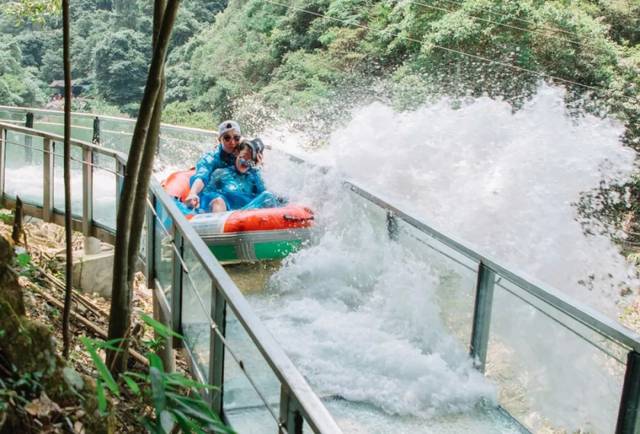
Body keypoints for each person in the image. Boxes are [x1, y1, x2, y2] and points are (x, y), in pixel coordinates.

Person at [208, 139, 283, 212]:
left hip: (246, 216)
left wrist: (256, 169)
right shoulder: (221, 173)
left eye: (250, 160)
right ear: (237, 153)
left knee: (268, 196)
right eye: (244, 156)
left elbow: (264, 195)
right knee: (218, 202)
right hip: (225, 216)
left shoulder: (254, 178)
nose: (245, 162)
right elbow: (206, 193)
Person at [184, 120, 242, 210]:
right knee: (218, 202)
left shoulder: (244, 155)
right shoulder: (211, 158)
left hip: (234, 194)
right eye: (227, 138)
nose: (232, 142)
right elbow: (202, 175)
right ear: (220, 140)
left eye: (236, 138)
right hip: (213, 194)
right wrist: (193, 192)